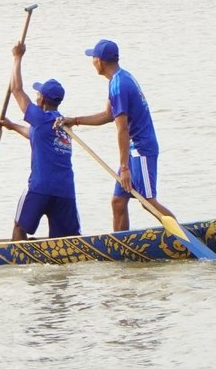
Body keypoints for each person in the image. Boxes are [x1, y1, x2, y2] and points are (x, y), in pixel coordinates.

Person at [62, 39, 163, 231]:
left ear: (99, 61)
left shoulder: (119, 85)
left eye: (93, 58)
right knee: (118, 201)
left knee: (148, 201)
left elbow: (122, 129)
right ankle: (122, 248)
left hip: (141, 149)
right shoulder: (119, 79)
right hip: (133, 150)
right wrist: (74, 120)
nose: (92, 62)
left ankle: (187, 239)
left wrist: (124, 168)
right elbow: (108, 115)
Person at [0, 42, 78, 239]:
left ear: (42, 100)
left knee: (19, 227)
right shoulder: (62, 125)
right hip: (65, 190)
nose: (35, 97)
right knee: (64, 241)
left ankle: (18, 263)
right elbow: (35, 135)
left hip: (40, 188)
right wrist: (12, 126)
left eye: (38, 94)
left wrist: (17, 57)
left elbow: (16, 89)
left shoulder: (41, 118)